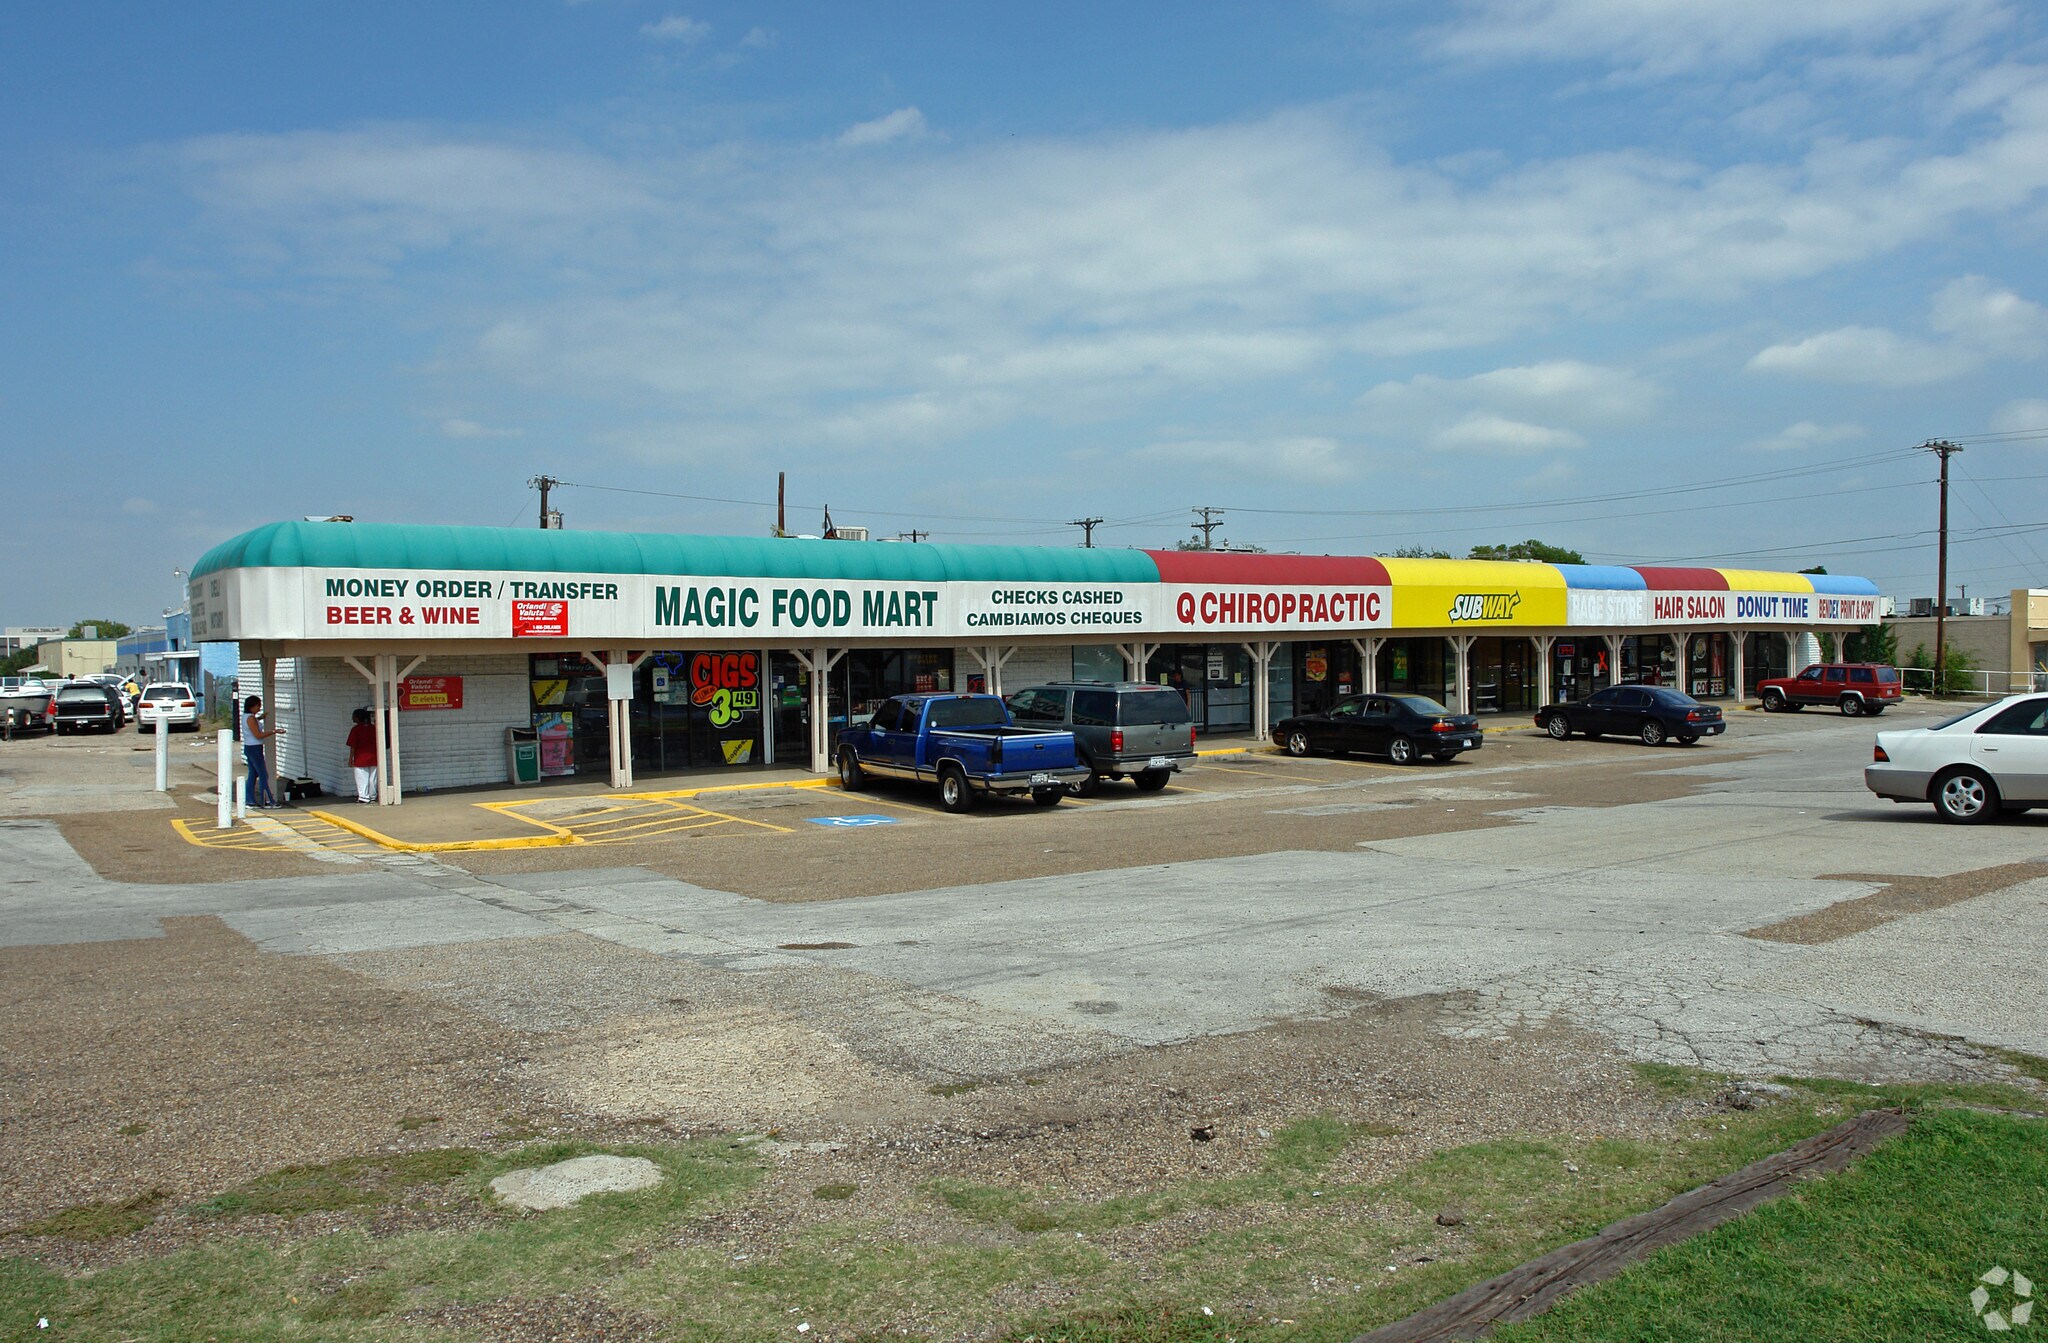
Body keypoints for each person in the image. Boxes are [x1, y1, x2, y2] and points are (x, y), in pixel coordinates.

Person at [242, 694, 281, 809]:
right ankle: (268, 800)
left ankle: (250, 800)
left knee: (253, 774)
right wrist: (274, 731)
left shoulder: (246, 716)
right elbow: (258, 735)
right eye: (258, 706)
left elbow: (253, 724)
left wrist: (260, 718)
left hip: (249, 747)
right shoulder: (250, 718)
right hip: (255, 748)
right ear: (252, 706)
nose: (259, 708)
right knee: (263, 775)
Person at [346, 707, 379, 804]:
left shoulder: (356, 729)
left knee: (362, 778)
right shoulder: (374, 728)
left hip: (361, 757)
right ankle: (373, 796)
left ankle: (363, 797)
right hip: (374, 756)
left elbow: (353, 745)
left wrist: (350, 758)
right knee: (373, 779)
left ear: (357, 717)